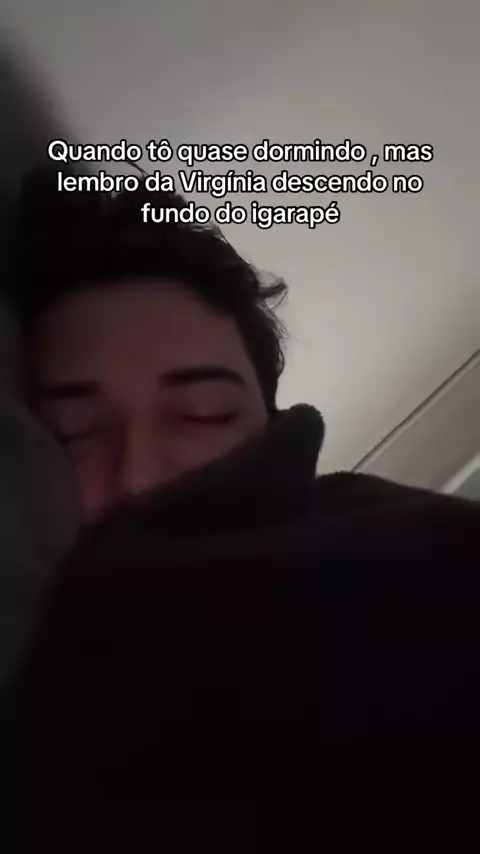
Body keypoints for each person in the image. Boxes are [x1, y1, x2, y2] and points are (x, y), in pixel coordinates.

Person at [7, 169, 480, 850]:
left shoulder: (411, 553)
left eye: (204, 414)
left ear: (271, 426)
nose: (138, 472)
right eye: (72, 431)